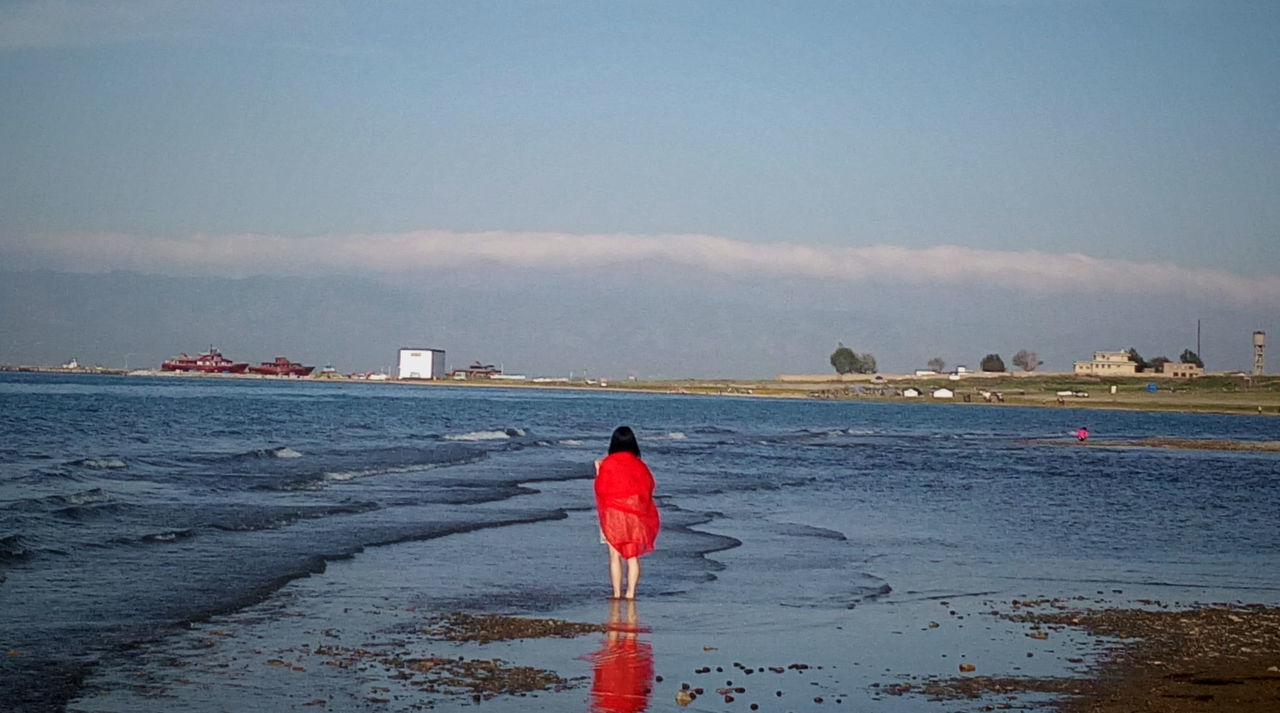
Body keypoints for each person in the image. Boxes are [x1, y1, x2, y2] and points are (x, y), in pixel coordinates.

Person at [594, 426, 660, 599]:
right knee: (633, 557)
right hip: (635, 515)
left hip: (612, 515)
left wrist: (598, 471)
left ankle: (616, 593)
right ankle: (630, 593)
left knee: (614, 556)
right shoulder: (639, 465)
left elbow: (601, 489)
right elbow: (648, 487)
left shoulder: (607, 463)